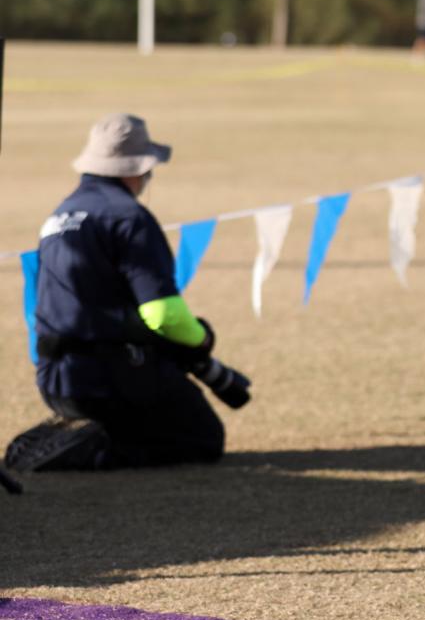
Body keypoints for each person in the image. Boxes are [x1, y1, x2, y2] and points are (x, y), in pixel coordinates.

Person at [4, 114, 249, 472]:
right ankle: (89, 449)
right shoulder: (128, 217)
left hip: (57, 378)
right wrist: (201, 341)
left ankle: (86, 431)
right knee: (202, 437)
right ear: (137, 169)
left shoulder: (60, 214)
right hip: (107, 376)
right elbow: (163, 316)